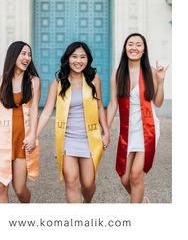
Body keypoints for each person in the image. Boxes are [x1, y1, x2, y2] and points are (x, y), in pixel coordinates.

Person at [37, 42, 110, 203]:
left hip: (89, 137)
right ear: (68, 59)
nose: (78, 61)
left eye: (83, 57)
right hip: (67, 138)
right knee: (71, 180)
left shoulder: (93, 79)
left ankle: (87, 202)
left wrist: (106, 132)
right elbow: (47, 111)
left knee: (88, 183)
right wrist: (33, 135)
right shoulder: (58, 83)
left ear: (88, 59)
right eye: (74, 56)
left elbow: (99, 106)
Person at [107, 33, 168, 203]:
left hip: (147, 128)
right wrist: (105, 130)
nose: (134, 47)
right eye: (130, 44)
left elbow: (158, 102)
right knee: (125, 178)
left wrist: (161, 82)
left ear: (143, 50)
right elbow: (112, 105)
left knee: (135, 176)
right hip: (127, 128)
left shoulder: (152, 72)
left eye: (138, 45)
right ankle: (142, 202)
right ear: (125, 48)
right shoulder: (118, 73)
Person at [0, 41, 40, 203]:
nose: (27, 58)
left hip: (22, 139)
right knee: (1, 186)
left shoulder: (33, 81)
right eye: (23, 53)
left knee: (20, 188)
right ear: (13, 55)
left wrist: (33, 136)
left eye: (29, 54)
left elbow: (35, 110)